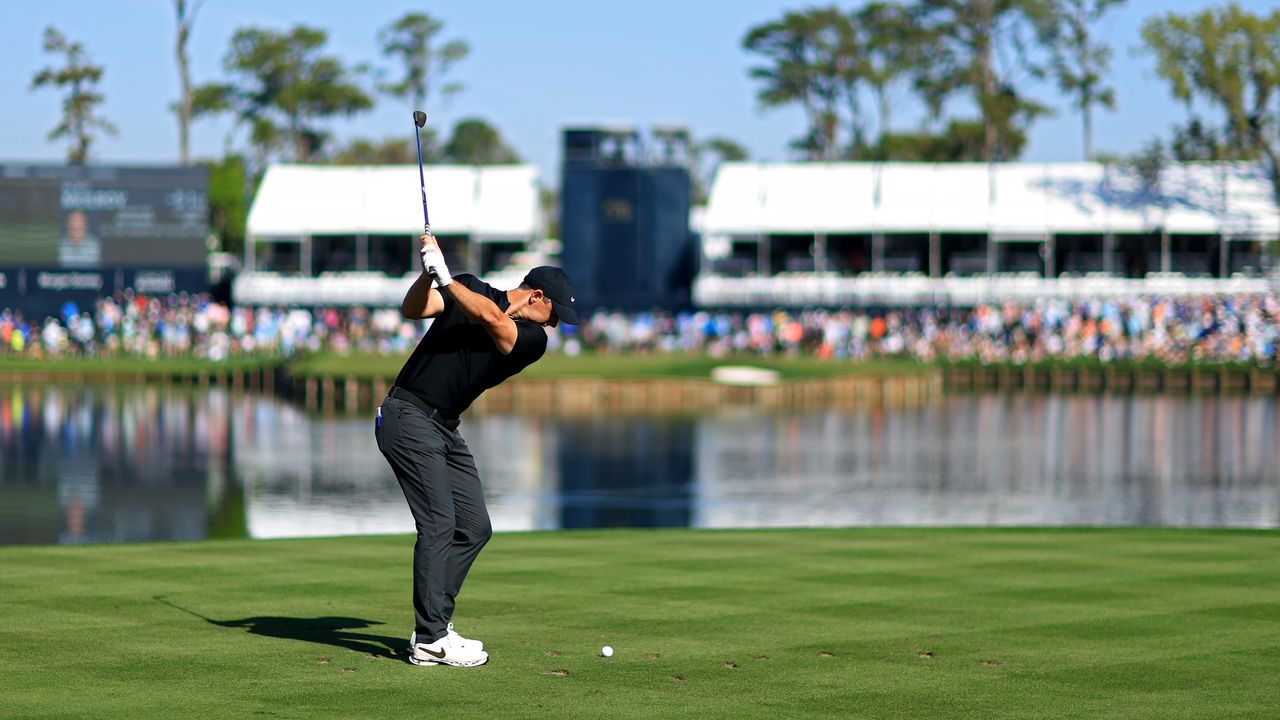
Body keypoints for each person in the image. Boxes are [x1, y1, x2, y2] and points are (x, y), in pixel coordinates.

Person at [375, 233, 578, 668]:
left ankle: (435, 627)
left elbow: (493, 320)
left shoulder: (532, 339)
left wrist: (446, 278)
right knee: (439, 523)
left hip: (444, 428)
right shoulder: (465, 285)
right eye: (556, 313)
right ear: (537, 296)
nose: (556, 323)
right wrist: (428, 273)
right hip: (406, 415)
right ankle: (430, 638)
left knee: (474, 526)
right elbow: (414, 309)